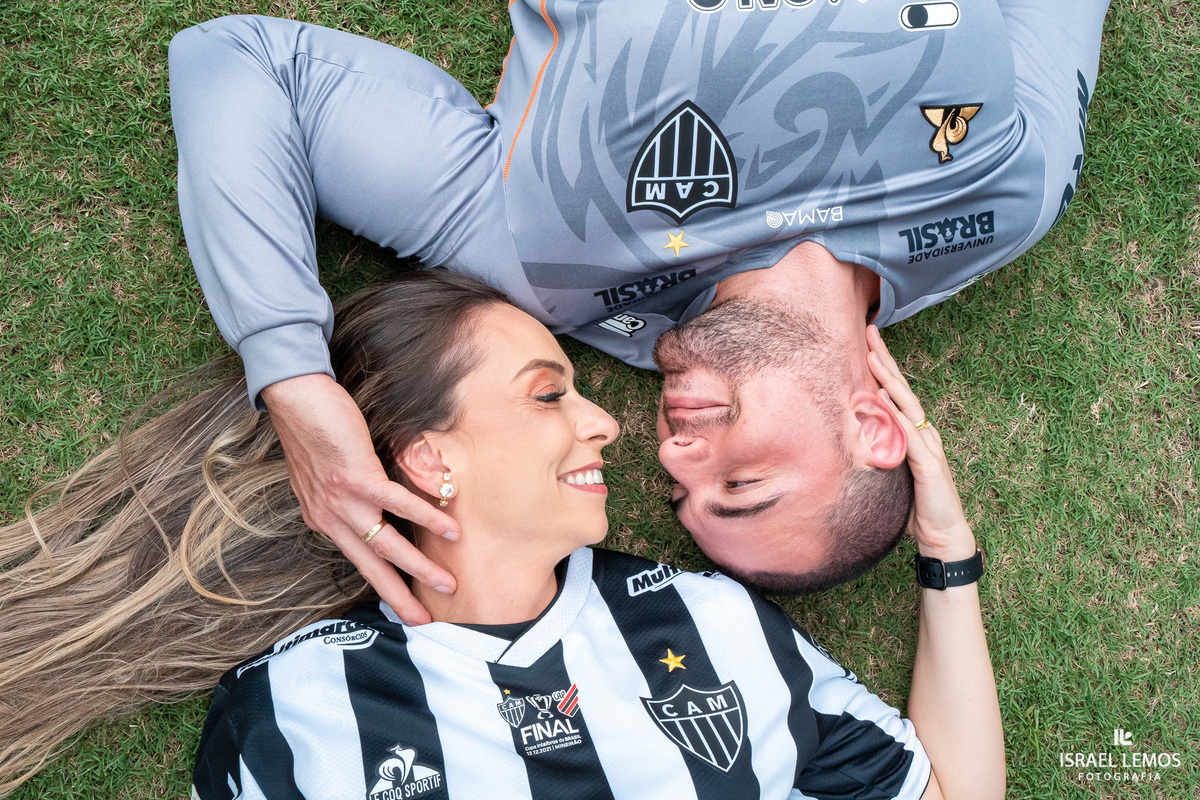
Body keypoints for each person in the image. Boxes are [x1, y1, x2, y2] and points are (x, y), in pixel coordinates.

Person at [167, 0, 1111, 620]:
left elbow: (243, 65)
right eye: (740, 487)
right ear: (873, 427)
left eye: (678, 493)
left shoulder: (547, 263)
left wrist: (289, 375)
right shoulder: (1005, 204)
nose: (667, 456)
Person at [0, 272, 1000, 798]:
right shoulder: (300, 709)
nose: (608, 421)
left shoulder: (710, 624)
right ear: (434, 459)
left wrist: (945, 543)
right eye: (547, 393)